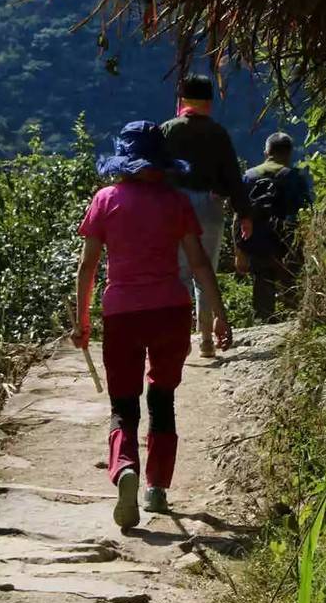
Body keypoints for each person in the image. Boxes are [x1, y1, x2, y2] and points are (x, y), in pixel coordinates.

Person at [72, 120, 232, 532]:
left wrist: (82, 320)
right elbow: (199, 263)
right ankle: (156, 487)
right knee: (162, 398)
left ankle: (125, 467)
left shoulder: (105, 200)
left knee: (124, 404)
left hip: (122, 314)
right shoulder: (176, 202)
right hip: (170, 312)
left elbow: (88, 267)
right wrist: (219, 314)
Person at [161, 74, 253, 358]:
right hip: (210, 205)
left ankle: (179, 338)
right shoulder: (218, 133)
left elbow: (155, 171)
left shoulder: (167, 129)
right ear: (209, 102)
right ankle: (206, 340)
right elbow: (233, 176)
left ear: (181, 100)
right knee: (205, 271)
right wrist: (244, 214)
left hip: (174, 206)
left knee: (179, 273)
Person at [234, 131, 313, 322]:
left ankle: (262, 325)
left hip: (257, 245)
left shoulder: (249, 176)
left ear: (266, 152)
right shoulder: (294, 178)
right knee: (292, 294)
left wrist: (240, 252)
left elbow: (239, 216)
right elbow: (306, 215)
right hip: (287, 246)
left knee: (262, 296)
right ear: (289, 153)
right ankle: (293, 327)